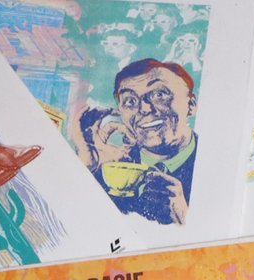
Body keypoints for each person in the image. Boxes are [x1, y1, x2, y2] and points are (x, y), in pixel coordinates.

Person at [80, 57, 199, 225]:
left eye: (159, 94)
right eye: (130, 101)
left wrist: (183, 219)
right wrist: (87, 171)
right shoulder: (110, 167)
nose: (144, 109)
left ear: (191, 105)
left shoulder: (216, 162)